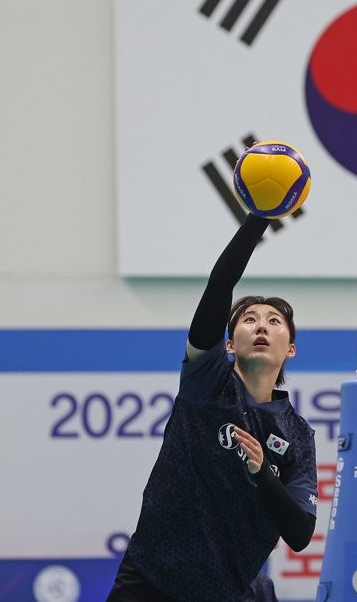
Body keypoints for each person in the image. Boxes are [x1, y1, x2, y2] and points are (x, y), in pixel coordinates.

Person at [107, 214, 318, 601]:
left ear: (290, 349)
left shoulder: (298, 435)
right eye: (248, 319)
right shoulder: (208, 382)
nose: (260, 326)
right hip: (152, 577)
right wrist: (259, 218)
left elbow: (301, 534)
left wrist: (263, 473)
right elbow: (221, 284)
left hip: (227, 591)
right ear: (229, 344)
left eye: (274, 321)